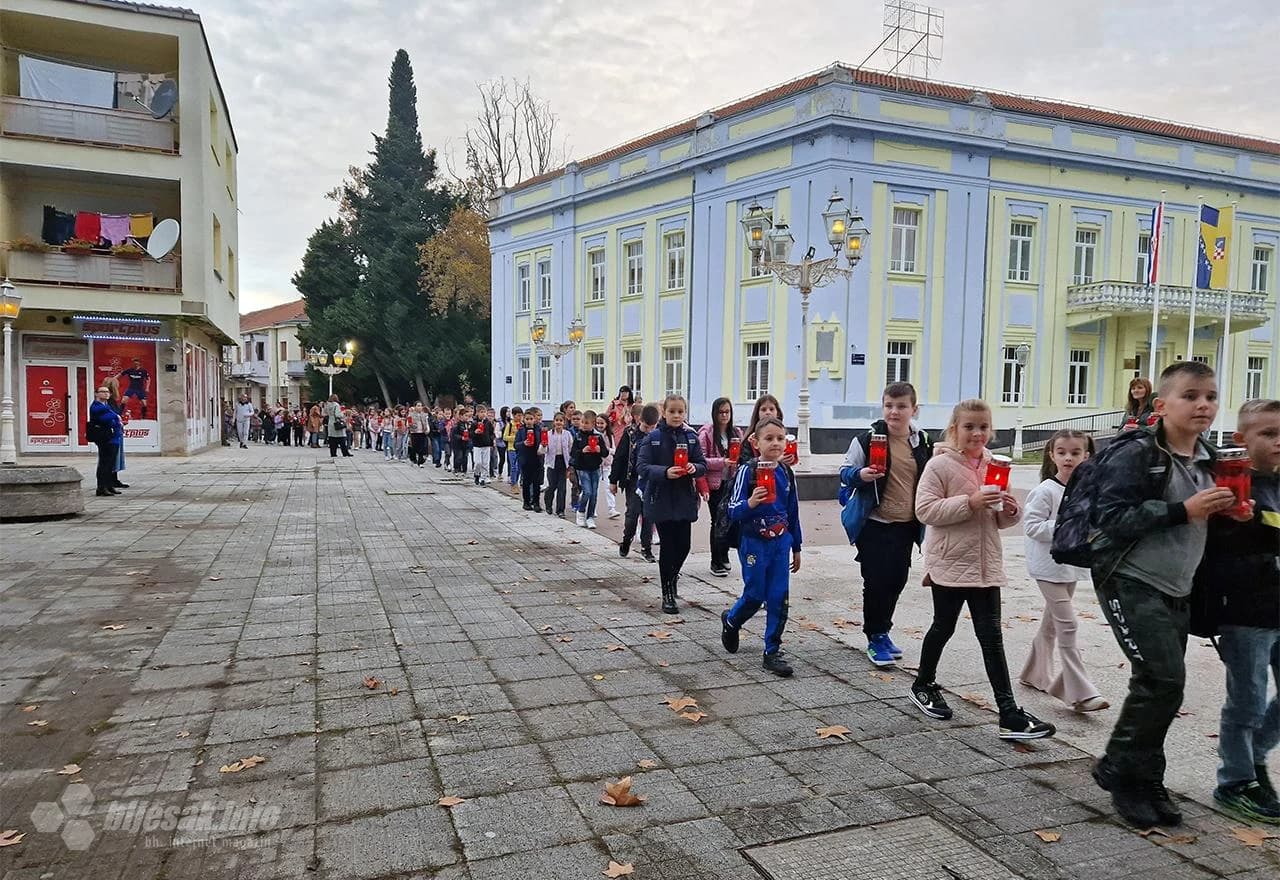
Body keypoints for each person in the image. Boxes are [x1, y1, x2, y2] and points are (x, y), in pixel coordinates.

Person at [1088, 361, 1240, 828]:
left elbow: (1203, 523)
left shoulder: (1211, 459)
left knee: (1160, 689)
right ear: (1161, 405)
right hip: (1130, 578)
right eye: (1190, 396)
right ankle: (1118, 768)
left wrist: (1230, 515)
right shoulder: (1137, 453)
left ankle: (1147, 779)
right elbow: (1109, 519)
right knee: (1163, 680)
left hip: (1180, 586)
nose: (1203, 405)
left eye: (1210, 396)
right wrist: (1181, 510)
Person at [910, 398, 1055, 742]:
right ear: (954, 429)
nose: (977, 433)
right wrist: (970, 502)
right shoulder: (939, 465)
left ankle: (1009, 714)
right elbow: (925, 511)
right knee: (943, 626)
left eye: (983, 427)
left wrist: (1010, 510)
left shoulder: (994, 465)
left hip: (985, 563)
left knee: (991, 637)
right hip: (950, 562)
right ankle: (923, 684)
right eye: (969, 427)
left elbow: (998, 520)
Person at [1196, 398, 1280, 824]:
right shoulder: (1231, 483)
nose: (1278, 442)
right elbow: (1216, 549)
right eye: (1269, 434)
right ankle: (1235, 781)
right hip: (1246, 611)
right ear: (1241, 439)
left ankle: (1252, 757)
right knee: (1247, 701)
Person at [841, 382, 935, 667]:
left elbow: (931, 475)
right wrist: (861, 475)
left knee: (897, 579)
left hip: (906, 524)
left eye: (901, 406)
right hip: (874, 523)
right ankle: (875, 636)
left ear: (914, 409)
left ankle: (883, 630)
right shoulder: (867, 440)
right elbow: (844, 472)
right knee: (876, 581)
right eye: (889, 406)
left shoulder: (923, 442)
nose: (894, 412)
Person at [1019, 429, 1108, 713]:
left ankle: (1034, 674)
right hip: (1047, 567)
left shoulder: (1088, 491)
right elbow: (1032, 526)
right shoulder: (1045, 490)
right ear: (1052, 455)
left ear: (1087, 456)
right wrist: (1066, 525)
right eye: (1062, 452)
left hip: (1071, 566)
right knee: (1068, 625)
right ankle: (1079, 693)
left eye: (1075, 453)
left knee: (1051, 624)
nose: (1068, 458)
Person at [719, 417, 802, 677]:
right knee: (755, 595)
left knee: (778, 597)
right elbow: (733, 510)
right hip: (754, 543)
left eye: (780, 438)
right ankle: (732, 620)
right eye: (769, 438)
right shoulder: (748, 471)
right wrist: (751, 503)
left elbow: (793, 512)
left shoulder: (786, 472)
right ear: (756, 442)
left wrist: (796, 546)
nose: (775, 443)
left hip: (780, 544)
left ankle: (772, 651)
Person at [637, 394, 708, 614]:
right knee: (668, 546)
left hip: (684, 498)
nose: (677, 415)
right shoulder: (654, 437)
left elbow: (702, 463)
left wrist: (694, 468)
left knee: (684, 545)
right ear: (664, 413)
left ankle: (672, 576)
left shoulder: (691, 437)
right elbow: (642, 466)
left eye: (680, 411)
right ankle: (667, 592)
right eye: (672, 411)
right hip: (662, 498)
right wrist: (665, 472)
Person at [697, 397, 743, 577]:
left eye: (727, 412)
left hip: (732, 482)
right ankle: (715, 560)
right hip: (715, 484)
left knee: (729, 520)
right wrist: (722, 462)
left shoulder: (736, 432)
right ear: (714, 414)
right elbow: (701, 460)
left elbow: (742, 455)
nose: (724, 415)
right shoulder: (706, 434)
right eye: (721, 412)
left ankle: (724, 555)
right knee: (717, 520)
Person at [613, 404, 657, 562]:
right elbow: (620, 456)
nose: (649, 430)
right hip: (633, 479)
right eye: (646, 426)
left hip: (651, 480)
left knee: (648, 514)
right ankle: (627, 539)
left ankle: (646, 548)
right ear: (640, 420)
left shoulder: (657, 435)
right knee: (633, 513)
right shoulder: (630, 433)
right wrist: (613, 480)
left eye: (653, 427)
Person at [741, 394, 798, 468]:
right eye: (763, 410)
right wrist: (775, 461)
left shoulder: (784, 433)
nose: (768, 412)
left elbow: (793, 458)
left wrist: (791, 458)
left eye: (771, 409)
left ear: (777, 412)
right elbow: (746, 462)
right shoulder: (750, 438)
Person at [572, 409, 606, 528]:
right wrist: (582, 451)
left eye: (586, 423)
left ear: (593, 424)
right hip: (582, 468)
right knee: (587, 492)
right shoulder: (578, 436)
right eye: (582, 422)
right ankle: (581, 512)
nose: (583, 425)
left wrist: (599, 450)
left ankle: (590, 517)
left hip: (595, 468)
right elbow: (573, 452)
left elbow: (605, 453)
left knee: (594, 494)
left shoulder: (598, 436)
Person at [88, 385, 123, 496]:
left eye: (107, 392)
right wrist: (116, 417)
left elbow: (114, 417)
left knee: (110, 463)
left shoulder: (107, 406)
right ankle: (101, 487)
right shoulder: (97, 406)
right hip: (105, 437)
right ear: (96, 394)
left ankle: (109, 485)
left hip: (113, 437)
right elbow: (105, 419)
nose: (106, 394)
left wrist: (116, 418)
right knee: (104, 463)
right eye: (103, 391)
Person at [515, 407, 546, 512]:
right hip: (525, 460)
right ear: (524, 419)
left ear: (534, 419)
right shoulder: (521, 430)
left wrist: (543, 445)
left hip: (536, 459)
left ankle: (536, 503)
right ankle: (526, 502)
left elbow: (543, 441)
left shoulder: (539, 429)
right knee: (526, 482)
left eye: (531, 419)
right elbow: (516, 445)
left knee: (536, 483)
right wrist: (523, 443)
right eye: (527, 419)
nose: (529, 421)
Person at [543, 412, 572, 516]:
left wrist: (570, 464)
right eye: (557, 420)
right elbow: (543, 450)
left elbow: (570, 447)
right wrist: (543, 445)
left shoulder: (567, 434)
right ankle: (548, 505)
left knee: (562, 488)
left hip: (563, 461)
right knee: (552, 486)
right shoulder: (549, 434)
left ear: (564, 422)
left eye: (561, 420)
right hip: (552, 462)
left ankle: (560, 510)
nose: (559, 422)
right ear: (553, 422)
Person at [104, 377, 128, 489]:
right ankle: (110, 480)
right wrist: (122, 405)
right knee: (112, 456)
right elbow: (115, 414)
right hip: (112, 432)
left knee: (115, 455)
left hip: (116, 430)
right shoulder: (109, 402)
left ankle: (113, 479)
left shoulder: (109, 401)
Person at [471, 405, 495, 485]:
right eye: (481, 412)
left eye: (485, 412)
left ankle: (484, 477)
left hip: (486, 445)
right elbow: (470, 434)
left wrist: (492, 441)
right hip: (477, 445)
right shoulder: (474, 423)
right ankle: (477, 474)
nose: (483, 414)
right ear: (477, 413)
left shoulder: (488, 422)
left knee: (485, 462)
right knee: (478, 462)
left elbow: (491, 433)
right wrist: (475, 432)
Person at [505, 406, 523, 488]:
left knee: (519, 467)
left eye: (521, 415)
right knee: (514, 466)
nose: (520, 417)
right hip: (511, 448)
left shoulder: (522, 425)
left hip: (520, 449)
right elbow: (505, 437)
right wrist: (515, 437)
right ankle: (513, 483)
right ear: (513, 415)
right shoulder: (510, 425)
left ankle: (516, 481)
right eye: (518, 415)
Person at [496, 406, 510, 479]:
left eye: (509, 411)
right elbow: (497, 432)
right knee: (502, 459)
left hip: (509, 442)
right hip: (501, 442)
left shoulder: (510, 421)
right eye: (507, 411)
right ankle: (500, 473)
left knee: (510, 459)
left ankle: (509, 475)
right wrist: (503, 433)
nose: (509, 413)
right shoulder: (499, 422)